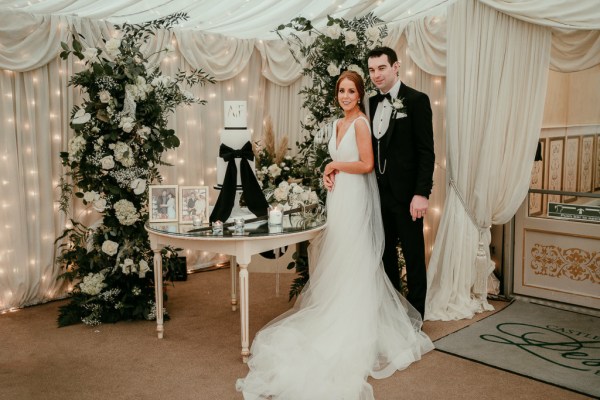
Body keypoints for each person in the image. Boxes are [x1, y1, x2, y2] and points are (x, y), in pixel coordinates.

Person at [236, 70, 433, 400]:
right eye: (341, 90)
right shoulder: (336, 124)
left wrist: (334, 167)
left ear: (359, 95)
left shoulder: (359, 123)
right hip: (339, 196)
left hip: (355, 197)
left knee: (354, 254)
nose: (345, 96)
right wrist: (331, 174)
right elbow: (340, 161)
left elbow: (367, 164)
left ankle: (357, 320)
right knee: (340, 252)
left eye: (351, 91)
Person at [367, 47, 435, 318]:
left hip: (408, 197)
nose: (376, 75)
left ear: (396, 67)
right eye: (371, 70)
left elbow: (426, 152)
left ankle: (417, 317)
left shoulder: (417, 100)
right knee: (386, 258)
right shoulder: (370, 103)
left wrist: (421, 193)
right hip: (378, 194)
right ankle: (395, 315)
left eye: (381, 68)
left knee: (414, 256)